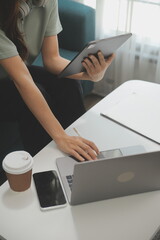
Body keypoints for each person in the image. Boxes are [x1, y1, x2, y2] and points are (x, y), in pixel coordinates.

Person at [0, 0, 115, 162]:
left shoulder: (48, 2)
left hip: (15, 72)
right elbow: (23, 80)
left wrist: (90, 75)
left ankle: (84, 148)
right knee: (30, 99)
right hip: (10, 78)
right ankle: (46, 171)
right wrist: (60, 137)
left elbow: (52, 59)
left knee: (67, 83)